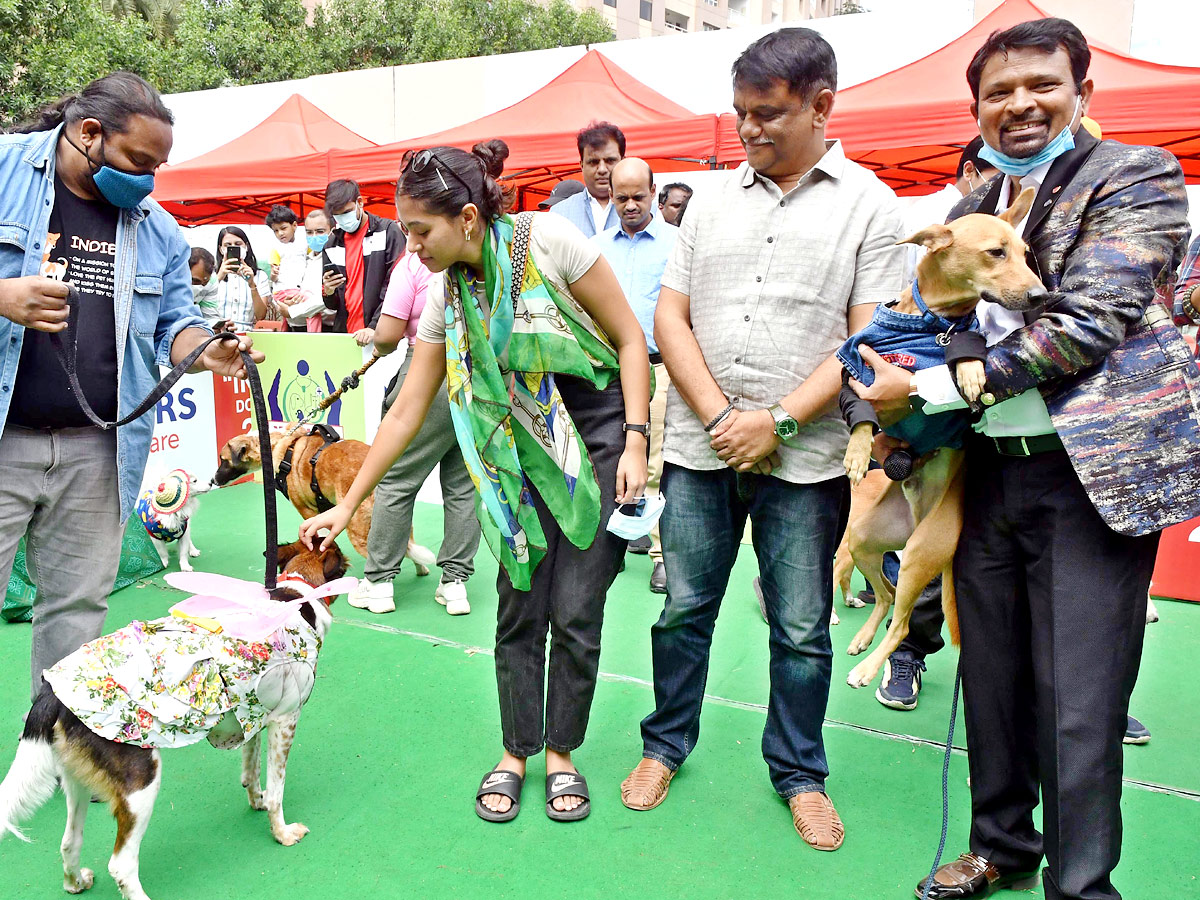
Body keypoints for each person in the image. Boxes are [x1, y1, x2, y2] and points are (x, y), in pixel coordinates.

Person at [848, 19, 1199, 900]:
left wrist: (931, 393)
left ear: (1084, 91)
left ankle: (1081, 888)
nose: (1019, 104)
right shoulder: (975, 186)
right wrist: (896, 410)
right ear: (977, 107)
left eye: (1041, 84)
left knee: (1079, 703)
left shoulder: (1138, 175)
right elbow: (940, 315)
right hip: (986, 472)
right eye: (998, 92)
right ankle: (1000, 845)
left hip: (1087, 479)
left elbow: (1090, 322)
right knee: (992, 677)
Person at [299, 140, 649, 823]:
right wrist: (345, 505)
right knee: (520, 597)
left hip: (595, 436)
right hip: (511, 452)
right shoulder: (443, 295)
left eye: (421, 232)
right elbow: (404, 412)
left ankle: (561, 755)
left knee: (576, 606)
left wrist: (636, 440)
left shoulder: (547, 242)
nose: (413, 248)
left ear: (465, 217)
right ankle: (516, 751)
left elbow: (630, 340)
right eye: (405, 233)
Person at [619, 28, 905, 852]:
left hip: (807, 463)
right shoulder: (707, 200)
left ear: (821, 106)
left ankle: (799, 772)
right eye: (741, 113)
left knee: (803, 629)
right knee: (682, 611)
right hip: (702, 454)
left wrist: (774, 421)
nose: (748, 129)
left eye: (768, 114)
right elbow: (670, 316)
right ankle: (663, 745)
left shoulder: (870, 206)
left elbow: (867, 340)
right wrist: (719, 420)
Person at [0, 71, 262, 702]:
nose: (148, 181)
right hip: (7, 437)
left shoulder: (158, 228)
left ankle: (56, 759)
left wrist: (206, 350)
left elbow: (174, 324)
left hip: (99, 449)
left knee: (77, 613)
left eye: (158, 168)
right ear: (89, 134)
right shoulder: (5, 169)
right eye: (140, 161)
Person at [347, 249, 482, 616]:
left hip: (428, 368)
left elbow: (389, 335)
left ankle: (378, 584)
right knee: (465, 485)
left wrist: (379, 343)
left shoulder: (413, 264)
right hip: (481, 376)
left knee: (396, 479)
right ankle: (455, 585)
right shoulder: (480, 255)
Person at [593, 157, 678, 594]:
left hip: (659, 367)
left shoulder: (678, 245)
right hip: (606, 370)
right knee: (609, 456)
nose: (629, 205)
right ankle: (616, 540)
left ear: (653, 193)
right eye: (620, 197)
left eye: (638, 197)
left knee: (655, 459)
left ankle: (662, 556)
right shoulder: (595, 247)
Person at [322, 178, 404, 345]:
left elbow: (397, 286)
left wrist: (375, 326)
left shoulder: (388, 231)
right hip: (345, 336)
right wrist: (328, 290)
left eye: (346, 212)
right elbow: (333, 305)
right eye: (337, 216)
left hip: (382, 334)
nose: (343, 219)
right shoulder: (331, 244)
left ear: (360, 202)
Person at [550, 122, 624, 238]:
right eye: (593, 162)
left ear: (623, 161)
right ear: (582, 165)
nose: (602, 169)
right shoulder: (559, 214)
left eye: (610, 161)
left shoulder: (646, 212)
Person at [273, 209, 334, 332]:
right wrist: (289, 301)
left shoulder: (336, 260)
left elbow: (329, 299)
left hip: (325, 329)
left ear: (332, 231)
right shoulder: (306, 259)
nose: (314, 236)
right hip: (297, 327)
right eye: (309, 232)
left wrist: (293, 310)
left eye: (320, 231)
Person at [211, 225, 269, 332]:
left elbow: (260, 315)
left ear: (246, 246)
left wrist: (252, 284)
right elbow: (200, 303)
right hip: (217, 333)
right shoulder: (212, 275)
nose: (233, 247)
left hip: (246, 334)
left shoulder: (260, 276)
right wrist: (219, 277)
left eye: (238, 244)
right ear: (221, 249)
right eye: (227, 245)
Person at [189, 246, 217, 318]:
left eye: (204, 283)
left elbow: (209, 316)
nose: (199, 287)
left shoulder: (212, 283)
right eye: (195, 281)